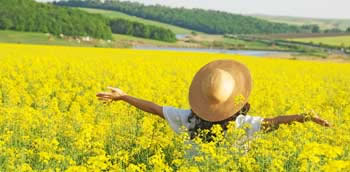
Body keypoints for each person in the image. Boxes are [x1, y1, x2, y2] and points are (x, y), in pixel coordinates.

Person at [96, 60, 330, 141]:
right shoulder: (242, 126)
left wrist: (124, 97)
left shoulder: (188, 119)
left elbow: (155, 109)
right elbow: (276, 121)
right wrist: (305, 117)